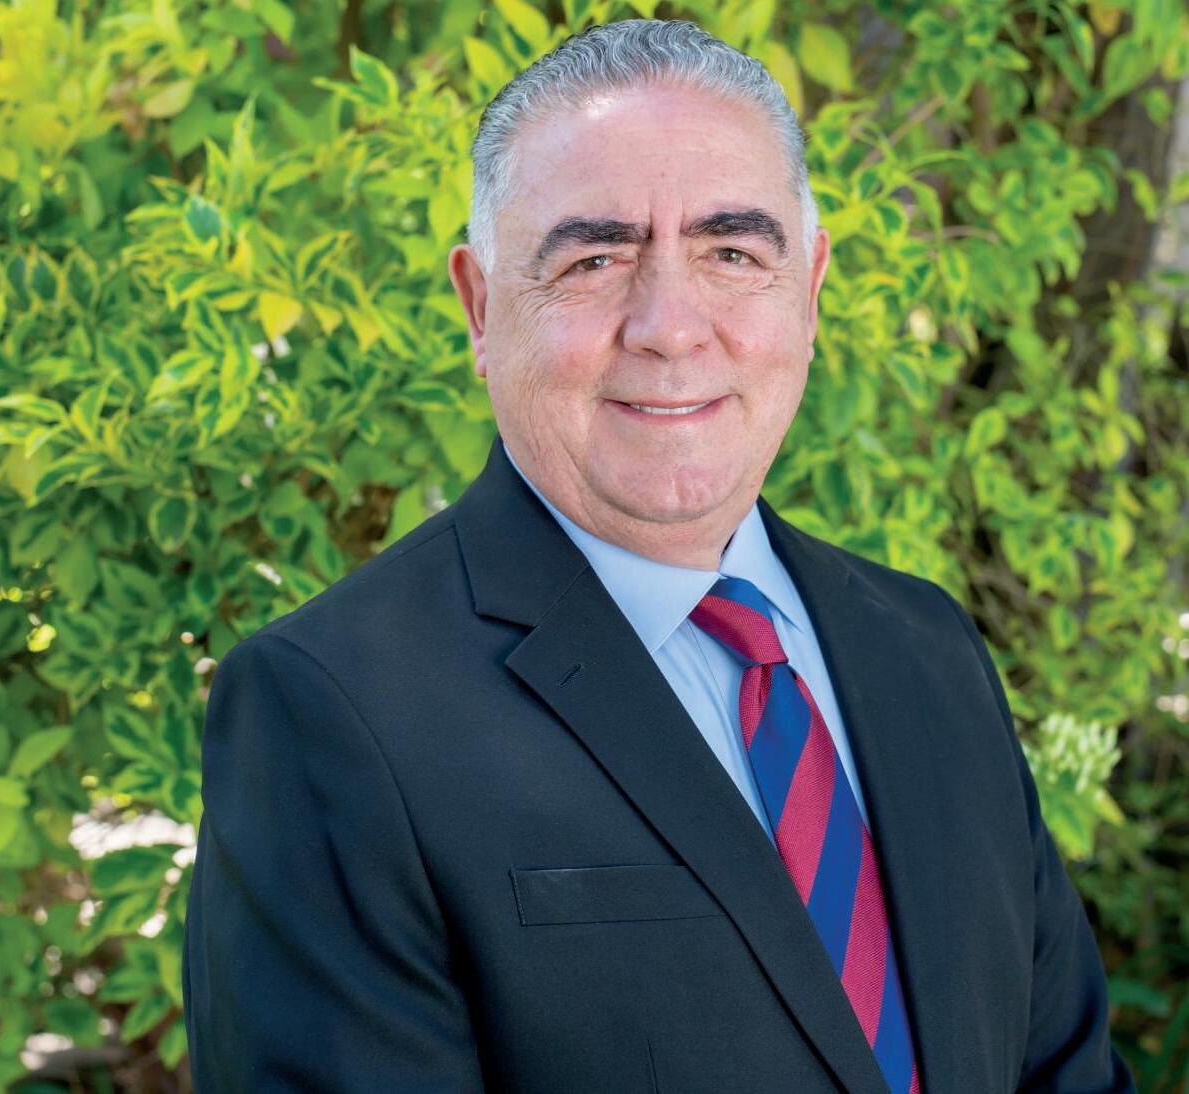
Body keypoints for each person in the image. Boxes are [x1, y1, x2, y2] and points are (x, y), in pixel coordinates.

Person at [183, 18, 1133, 1093]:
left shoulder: (926, 646)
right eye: (594, 259)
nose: (670, 327)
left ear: (810, 291)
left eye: (732, 253)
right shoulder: (330, 711)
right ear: (481, 307)